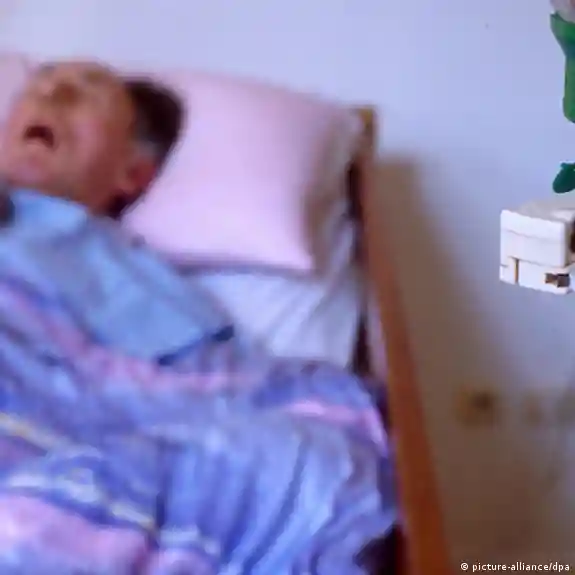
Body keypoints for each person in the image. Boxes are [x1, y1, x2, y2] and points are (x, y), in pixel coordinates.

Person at [0, 60, 181, 214]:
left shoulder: (108, 246)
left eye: (90, 96)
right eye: (35, 89)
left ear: (132, 172)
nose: (53, 94)